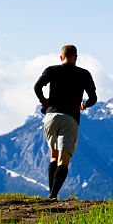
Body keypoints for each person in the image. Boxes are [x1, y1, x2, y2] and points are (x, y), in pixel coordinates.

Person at [34, 44, 97, 199]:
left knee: (53, 155)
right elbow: (93, 99)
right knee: (64, 159)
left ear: (61, 57)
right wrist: (84, 104)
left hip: (51, 117)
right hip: (70, 118)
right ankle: (53, 194)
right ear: (76, 57)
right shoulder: (84, 74)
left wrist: (44, 100)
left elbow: (37, 87)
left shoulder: (51, 70)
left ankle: (51, 194)